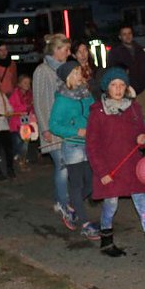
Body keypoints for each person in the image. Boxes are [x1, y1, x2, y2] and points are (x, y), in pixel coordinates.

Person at [86, 67, 145, 263]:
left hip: (132, 166)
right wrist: (102, 171)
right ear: (107, 88)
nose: (118, 88)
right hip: (110, 168)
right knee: (111, 204)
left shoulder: (133, 108)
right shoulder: (98, 112)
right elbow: (92, 145)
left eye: (122, 85)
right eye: (114, 85)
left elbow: (140, 131)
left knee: (143, 204)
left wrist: (142, 137)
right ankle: (106, 241)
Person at [49, 60, 99, 239]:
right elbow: (54, 125)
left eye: (80, 72)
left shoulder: (86, 94)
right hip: (73, 145)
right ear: (69, 77)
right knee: (77, 185)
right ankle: (85, 224)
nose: (81, 75)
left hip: (89, 143)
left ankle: (70, 207)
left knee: (92, 184)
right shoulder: (62, 99)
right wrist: (76, 130)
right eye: (77, 72)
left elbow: (94, 112)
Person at [33, 33, 72, 224]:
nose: (68, 52)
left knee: (67, 165)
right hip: (52, 126)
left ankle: (59, 200)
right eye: (65, 49)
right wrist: (45, 128)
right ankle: (64, 203)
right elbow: (39, 102)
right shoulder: (42, 71)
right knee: (62, 164)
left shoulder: (65, 70)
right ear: (55, 50)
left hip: (66, 126)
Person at [108, 24, 145, 95]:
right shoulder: (115, 53)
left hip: (144, 90)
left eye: (129, 33)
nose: (128, 36)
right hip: (126, 92)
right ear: (120, 37)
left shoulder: (140, 50)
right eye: (124, 34)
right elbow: (112, 72)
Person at [8, 74, 34, 170]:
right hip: (16, 124)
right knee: (17, 144)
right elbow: (11, 109)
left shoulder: (30, 95)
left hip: (26, 123)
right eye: (25, 83)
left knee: (25, 144)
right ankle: (15, 157)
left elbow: (31, 110)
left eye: (29, 83)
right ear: (19, 84)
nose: (27, 85)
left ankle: (22, 161)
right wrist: (25, 107)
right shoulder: (15, 95)